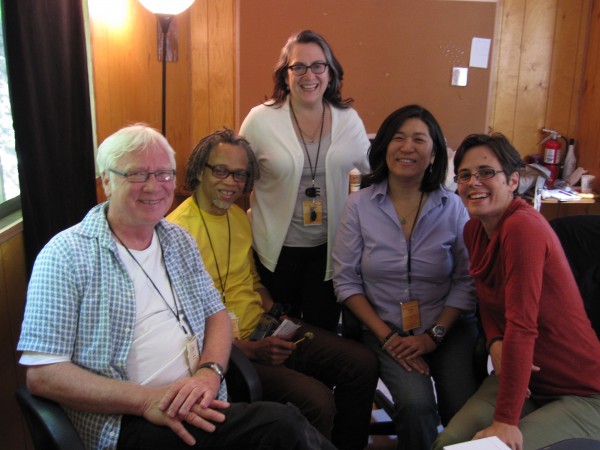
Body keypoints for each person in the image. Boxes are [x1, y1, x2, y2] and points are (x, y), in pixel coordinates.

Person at [16, 124, 336, 450]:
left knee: (288, 426)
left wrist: (209, 373)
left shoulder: (177, 239)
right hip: (127, 420)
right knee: (283, 427)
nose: (154, 186)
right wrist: (146, 401)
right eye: (137, 174)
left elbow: (216, 315)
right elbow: (43, 375)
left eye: (164, 174)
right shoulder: (65, 255)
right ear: (107, 181)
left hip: (199, 400)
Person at [167, 128, 379, 450]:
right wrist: (247, 348)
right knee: (318, 400)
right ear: (198, 171)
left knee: (361, 363)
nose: (231, 182)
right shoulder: (176, 233)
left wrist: (275, 316)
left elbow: (251, 280)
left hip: (263, 332)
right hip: (226, 352)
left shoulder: (239, 218)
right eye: (221, 170)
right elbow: (185, 327)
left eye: (240, 175)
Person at [432, 133, 600, 450]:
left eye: (485, 172)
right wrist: (495, 340)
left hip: (581, 391)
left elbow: (522, 325)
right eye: (464, 175)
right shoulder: (474, 230)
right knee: (449, 442)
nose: (472, 182)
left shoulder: (523, 228)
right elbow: (489, 302)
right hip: (526, 380)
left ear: (512, 180)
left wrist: (506, 421)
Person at [332, 105, 479, 450]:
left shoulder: (453, 207)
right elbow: (346, 281)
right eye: (398, 138)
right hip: (387, 331)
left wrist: (434, 335)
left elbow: (465, 279)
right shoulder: (359, 206)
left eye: (418, 139)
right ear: (384, 147)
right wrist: (387, 338)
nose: (407, 147)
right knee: (416, 406)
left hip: (447, 327)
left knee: (463, 410)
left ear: (433, 155)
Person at [239, 29, 370, 332]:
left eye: (317, 66)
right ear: (285, 75)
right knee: (280, 334)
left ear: (330, 72)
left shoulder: (348, 119)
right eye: (298, 66)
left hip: (329, 250)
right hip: (275, 249)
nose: (308, 74)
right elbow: (238, 174)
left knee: (319, 333)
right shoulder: (260, 120)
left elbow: (374, 169)